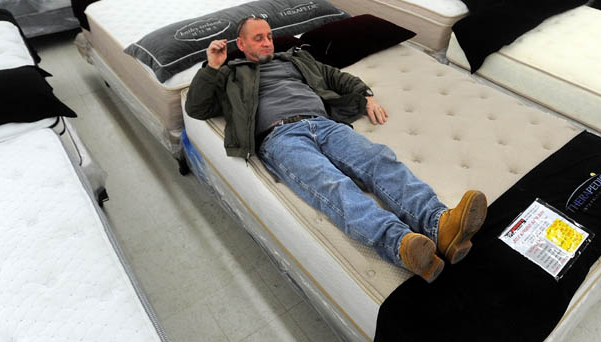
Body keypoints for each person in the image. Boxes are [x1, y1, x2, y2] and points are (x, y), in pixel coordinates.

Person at [185, 16, 488, 283]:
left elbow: (336, 77)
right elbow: (197, 107)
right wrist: (212, 66)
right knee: (333, 185)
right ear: (241, 43)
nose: (267, 43)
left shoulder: (294, 59)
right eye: (258, 38)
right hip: (280, 137)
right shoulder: (230, 74)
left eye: (269, 36)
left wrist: (365, 95)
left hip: (325, 124)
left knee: (379, 160)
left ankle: (440, 225)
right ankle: (403, 246)